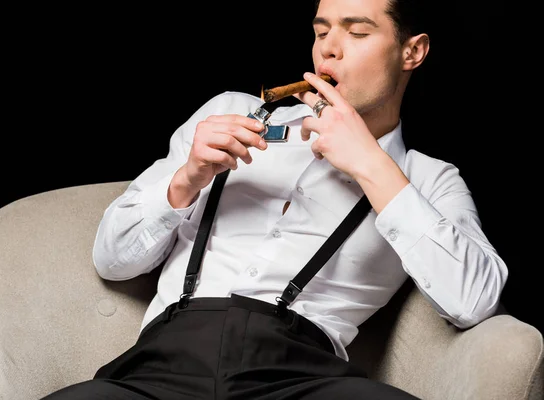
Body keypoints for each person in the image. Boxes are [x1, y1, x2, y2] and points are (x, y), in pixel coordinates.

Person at [42, 0, 508, 398]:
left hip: (302, 378)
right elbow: (111, 260)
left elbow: (474, 300)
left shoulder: (427, 179)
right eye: (321, 30)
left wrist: (371, 163)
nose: (329, 47)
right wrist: (186, 179)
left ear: (412, 51)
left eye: (357, 31)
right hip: (162, 365)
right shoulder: (228, 113)